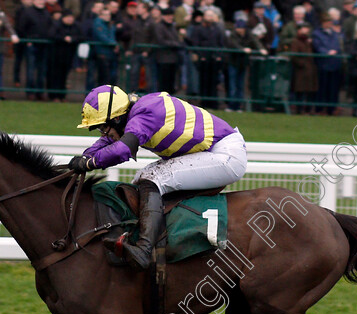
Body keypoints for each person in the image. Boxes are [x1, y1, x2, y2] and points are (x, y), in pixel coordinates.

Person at [70, 85, 248, 269]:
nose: (103, 133)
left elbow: (123, 149)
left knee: (154, 178)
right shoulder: (132, 114)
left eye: (103, 127)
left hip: (225, 154)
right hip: (214, 151)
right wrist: (85, 157)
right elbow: (110, 140)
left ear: (116, 118)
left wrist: (91, 163)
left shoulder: (144, 114)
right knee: (141, 178)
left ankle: (144, 249)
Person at [226, 19, 266, 111]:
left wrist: (261, 49)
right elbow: (233, 44)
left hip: (243, 63)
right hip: (233, 62)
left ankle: (238, 106)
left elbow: (255, 41)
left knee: (240, 85)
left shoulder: (248, 34)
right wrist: (242, 49)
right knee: (233, 85)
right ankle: (231, 105)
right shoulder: (233, 35)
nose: (238, 30)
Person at [311, 12, 342, 115]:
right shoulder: (317, 33)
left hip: (334, 64)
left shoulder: (334, 34)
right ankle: (320, 109)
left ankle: (331, 109)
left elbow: (337, 46)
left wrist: (334, 51)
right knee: (322, 88)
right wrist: (327, 52)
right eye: (327, 21)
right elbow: (317, 46)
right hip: (323, 64)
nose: (329, 23)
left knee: (333, 89)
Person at [47, 7, 79, 101]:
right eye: (68, 17)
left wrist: (72, 39)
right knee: (55, 76)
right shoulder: (57, 25)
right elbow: (51, 35)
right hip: (56, 56)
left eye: (71, 17)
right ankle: (54, 96)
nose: (70, 19)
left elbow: (82, 36)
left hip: (69, 56)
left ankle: (62, 95)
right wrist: (63, 38)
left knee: (64, 76)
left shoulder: (75, 27)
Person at [149, 7, 181, 93]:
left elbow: (177, 39)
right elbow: (161, 41)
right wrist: (176, 44)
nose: (170, 17)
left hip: (173, 59)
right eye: (167, 15)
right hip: (163, 59)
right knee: (163, 83)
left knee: (171, 83)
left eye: (171, 15)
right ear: (163, 16)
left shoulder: (172, 27)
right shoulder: (159, 26)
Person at [288, 22, 317, 114]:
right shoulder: (296, 41)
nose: (306, 30)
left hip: (310, 70)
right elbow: (294, 56)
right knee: (300, 91)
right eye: (304, 28)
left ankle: (308, 110)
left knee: (310, 91)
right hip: (300, 71)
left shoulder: (309, 41)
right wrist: (303, 64)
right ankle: (299, 110)